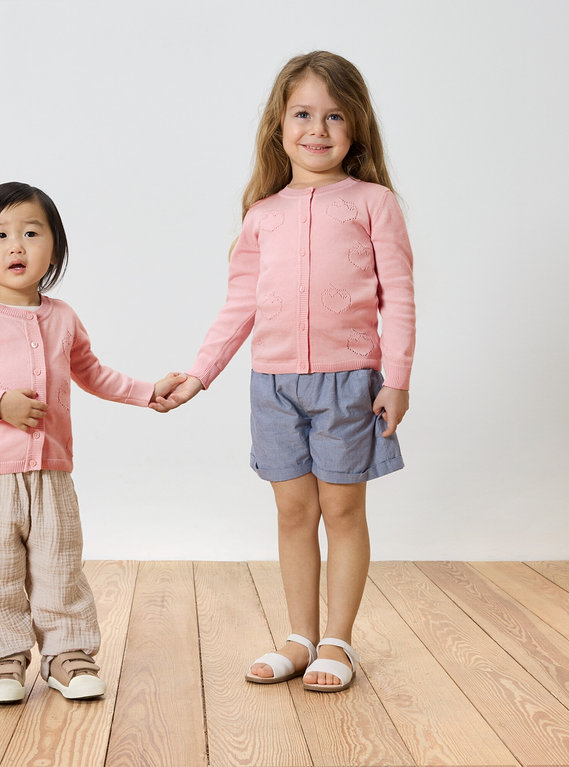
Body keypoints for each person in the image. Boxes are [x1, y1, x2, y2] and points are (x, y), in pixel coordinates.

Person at [154, 51, 415, 693]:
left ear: (355, 128)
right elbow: (240, 304)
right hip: (271, 385)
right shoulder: (262, 214)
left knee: (343, 511)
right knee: (293, 512)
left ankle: (338, 641)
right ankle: (300, 638)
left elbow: (399, 296)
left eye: (334, 116)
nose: (317, 129)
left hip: (349, 380)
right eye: (302, 113)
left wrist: (398, 377)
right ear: (279, 125)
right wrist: (198, 374)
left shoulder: (373, 203)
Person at [0, 182, 184, 703]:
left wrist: (145, 392)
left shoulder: (62, 317)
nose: (16, 246)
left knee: (59, 566)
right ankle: (4, 659)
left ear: (56, 247)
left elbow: (90, 372)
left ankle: (67, 655)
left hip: (51, 469)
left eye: (30, 232)